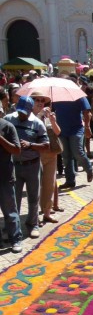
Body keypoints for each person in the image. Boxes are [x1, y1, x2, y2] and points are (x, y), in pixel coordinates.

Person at [4, 96, 49, 238]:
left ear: (31, 110)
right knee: (13, 199)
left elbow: (46, 145)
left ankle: (32, 223)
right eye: (20, 111)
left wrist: (31, 145)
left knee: (33, 197)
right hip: (14, 166)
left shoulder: (37, 124)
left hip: (32, 165)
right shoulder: (9, 119)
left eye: (25, 112)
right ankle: (11, 227)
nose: (22, 114)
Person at [32, 93, 62, 224]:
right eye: (37, 100)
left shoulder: (49, 115)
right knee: (36, 185)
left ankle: (47, 213)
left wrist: (53, 120)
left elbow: (58, 132)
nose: (40, 103)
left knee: (49, 184)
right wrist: (39, 116)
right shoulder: (30, 116)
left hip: (51, 154)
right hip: (37, 154)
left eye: (42, 101)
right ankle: (35, 216)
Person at [54, 91, 93, 190]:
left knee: (77, 152)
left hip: (76, 130)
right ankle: (70, 181)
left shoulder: (78, 96)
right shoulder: (56, 97)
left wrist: (87, 127)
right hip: (61, 130)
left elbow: (87, 112)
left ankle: (89, 169)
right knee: (66, 156)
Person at [0, 103, 23, 253]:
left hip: (5, 175)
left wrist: (0, 139)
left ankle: (15, 239)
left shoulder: (7, 127)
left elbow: (16, 150)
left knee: (10, 210)